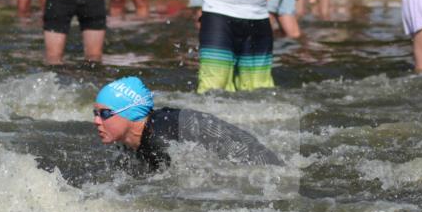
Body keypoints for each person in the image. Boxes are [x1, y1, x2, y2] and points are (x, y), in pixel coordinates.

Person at [93, 76, 283, 174]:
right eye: (95, 113)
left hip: (265, 166)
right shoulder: (130, 141)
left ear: (131, 113)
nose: (96, 121)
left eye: (105, 114)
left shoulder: (160, 137)